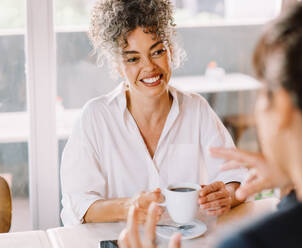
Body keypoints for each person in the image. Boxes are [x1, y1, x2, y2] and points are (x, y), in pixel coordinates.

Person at [118, 0, 302, 247]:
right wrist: (294, 180)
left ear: (282, 106)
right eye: (133, 58)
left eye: (262, 90)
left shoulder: (249, 243)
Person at [60, 0, 247, 226]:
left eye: (157, 51)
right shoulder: (95, 118)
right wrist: (130, 206)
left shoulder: (196, 109)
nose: (149, 67)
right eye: (133, 58)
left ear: (170, 51)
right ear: (117, 66)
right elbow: (78, 204)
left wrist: (226, 195)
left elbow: (234, 176)